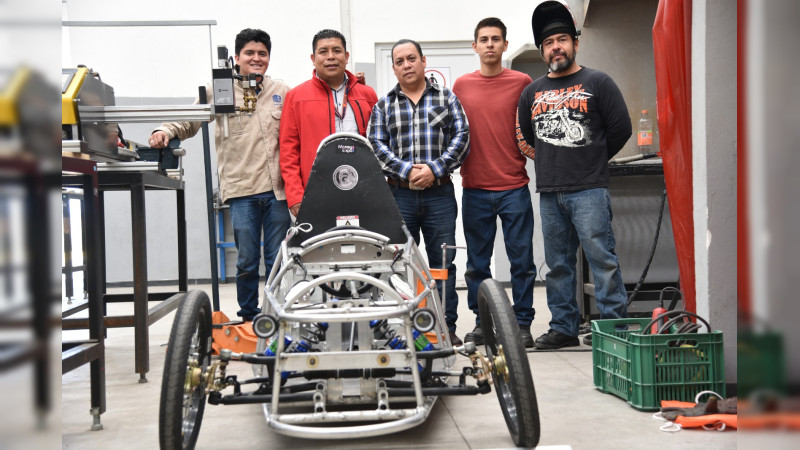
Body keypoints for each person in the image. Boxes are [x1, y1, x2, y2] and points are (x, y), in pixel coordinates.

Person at [150, 28, 290, 321]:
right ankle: (250, 316)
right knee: (247, 260)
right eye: (249, 53)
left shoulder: (281, 91)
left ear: (269, 58)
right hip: (241, 191)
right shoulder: (219, 89)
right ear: (237, 58)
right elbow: (191, 118)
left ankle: (277, 314)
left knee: (278, 260)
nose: (256, 58)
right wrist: (165, 130)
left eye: (262, 53)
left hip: (277, 190)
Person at [516, 0, 631, 349]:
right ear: (542, 50)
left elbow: (621, 129)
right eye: (549, 43)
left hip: (589, 190)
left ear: (575, 43)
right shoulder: (531, 92)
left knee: (602, 260)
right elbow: (528, 133)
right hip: (550, 191)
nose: (556, 47)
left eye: (562, 40)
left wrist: (592, 159)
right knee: (558, 266)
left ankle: (614, 328)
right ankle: (564, 327)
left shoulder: (598, 81)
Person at [367, 39, 470, 345]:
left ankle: (444, 328)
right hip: (399, 196)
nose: (406, 65)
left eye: (411, 58)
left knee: (443, 264)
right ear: (394, 68)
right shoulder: (384, 105)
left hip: (439, 195)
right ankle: (403, 329)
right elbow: (376, 145)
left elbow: (462, 137)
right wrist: (407, 170)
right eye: (400, 61)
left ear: (423, 61)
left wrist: (434, 169)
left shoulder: (447, 99)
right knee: (399, 263)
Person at [452, 18, 536, 348]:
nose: (489, 44)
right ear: (475, 46)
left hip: (514, 186)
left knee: (522, 262)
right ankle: (482, 322)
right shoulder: (461, 85)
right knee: (477, 265)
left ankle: (523, 323)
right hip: (474, 188)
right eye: (483, 39)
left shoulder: (522, 82)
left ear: (504, 45)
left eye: (495, 39)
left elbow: (534, 128)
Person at [280, 29, 378, 218]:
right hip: (315, 194)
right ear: (313, 58)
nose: (331, 57)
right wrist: (295, 196)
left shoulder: (367, 95)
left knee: (360, 246)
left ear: (346, 56)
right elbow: (288, 151)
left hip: (363, 191)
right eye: (323, 51)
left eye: (337, 51)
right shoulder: (296, 98)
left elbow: (378, 143)